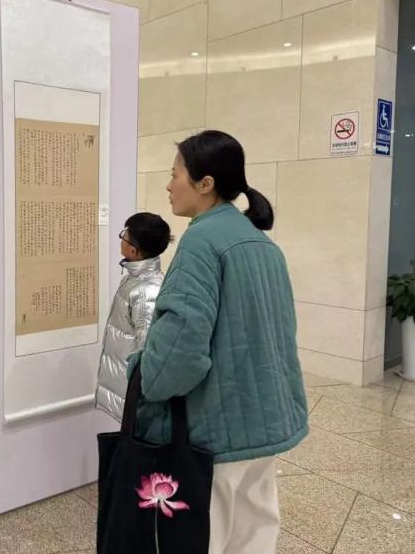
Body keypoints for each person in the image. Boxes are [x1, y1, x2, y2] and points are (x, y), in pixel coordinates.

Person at [126, 130, 308, 554]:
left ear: (205, 184)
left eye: (175, 174)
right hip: (264, 423)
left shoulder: (201, 242)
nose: (168, 185)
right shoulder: (262, 243)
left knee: (205, 539)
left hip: (215, 433)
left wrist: (145, 377)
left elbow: (180, 351)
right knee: (253, 538)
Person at [95, 212, 171, 422]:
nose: (122, 238)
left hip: (135, 397)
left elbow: (146, 350)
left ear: (133, 250)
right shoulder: (135, 279)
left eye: (124, 235)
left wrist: (139, 402)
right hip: (125, 390)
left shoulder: (147, 291)